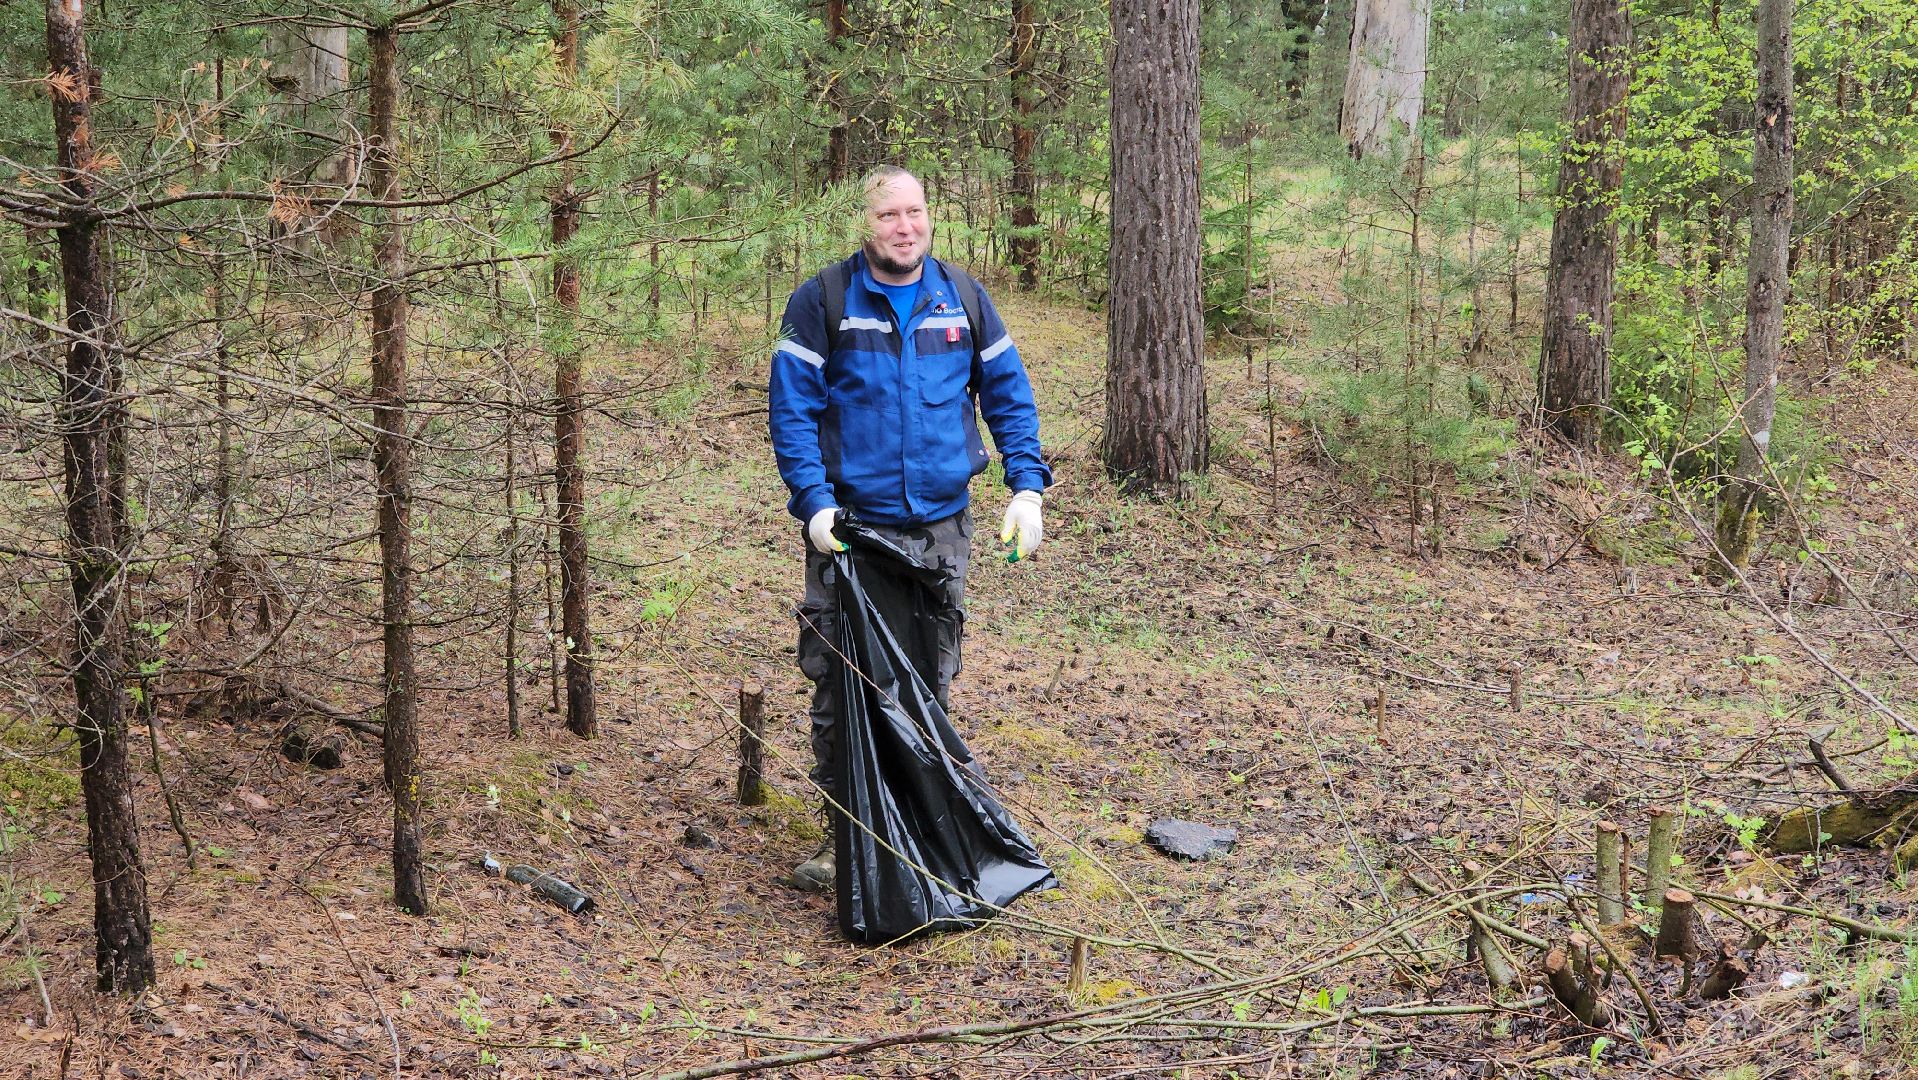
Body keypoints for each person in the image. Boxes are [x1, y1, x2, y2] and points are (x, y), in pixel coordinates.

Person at [767, 166, 1051, 891]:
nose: (904, 225)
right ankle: (850, 837)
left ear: (930, 217)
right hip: (853, 535)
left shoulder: (964, 299)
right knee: (842, 683)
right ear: (865, 224)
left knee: (928, 681)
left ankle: (924, 835)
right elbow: (792, 412)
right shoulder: (823, 301)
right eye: (889, 214)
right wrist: (814, 503)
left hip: (939, 534)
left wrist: (1026, 488)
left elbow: (1008, 395)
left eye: (915, 211)